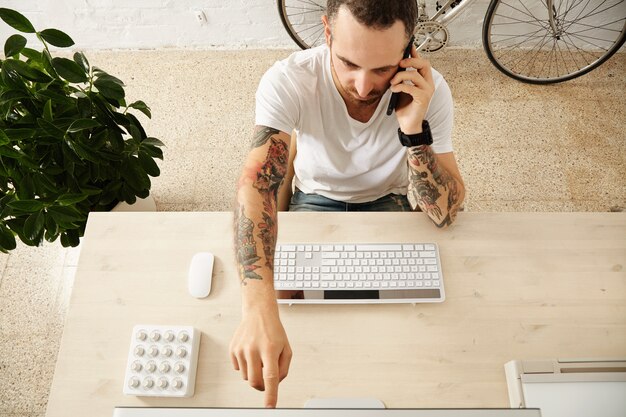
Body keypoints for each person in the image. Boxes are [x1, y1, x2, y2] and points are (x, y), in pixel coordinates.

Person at [230, 0, 466, 408]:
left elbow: (444, 215)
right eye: (348, 63)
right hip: (313, 199)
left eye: (381, 69)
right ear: (326, 32)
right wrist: (257, 310)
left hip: (388, 204)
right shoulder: (288, 79)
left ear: (409, 50)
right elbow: (257, 188)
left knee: (408, 339)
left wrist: (414, 131)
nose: (362, 86)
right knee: (303, 326)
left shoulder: (433, 91)